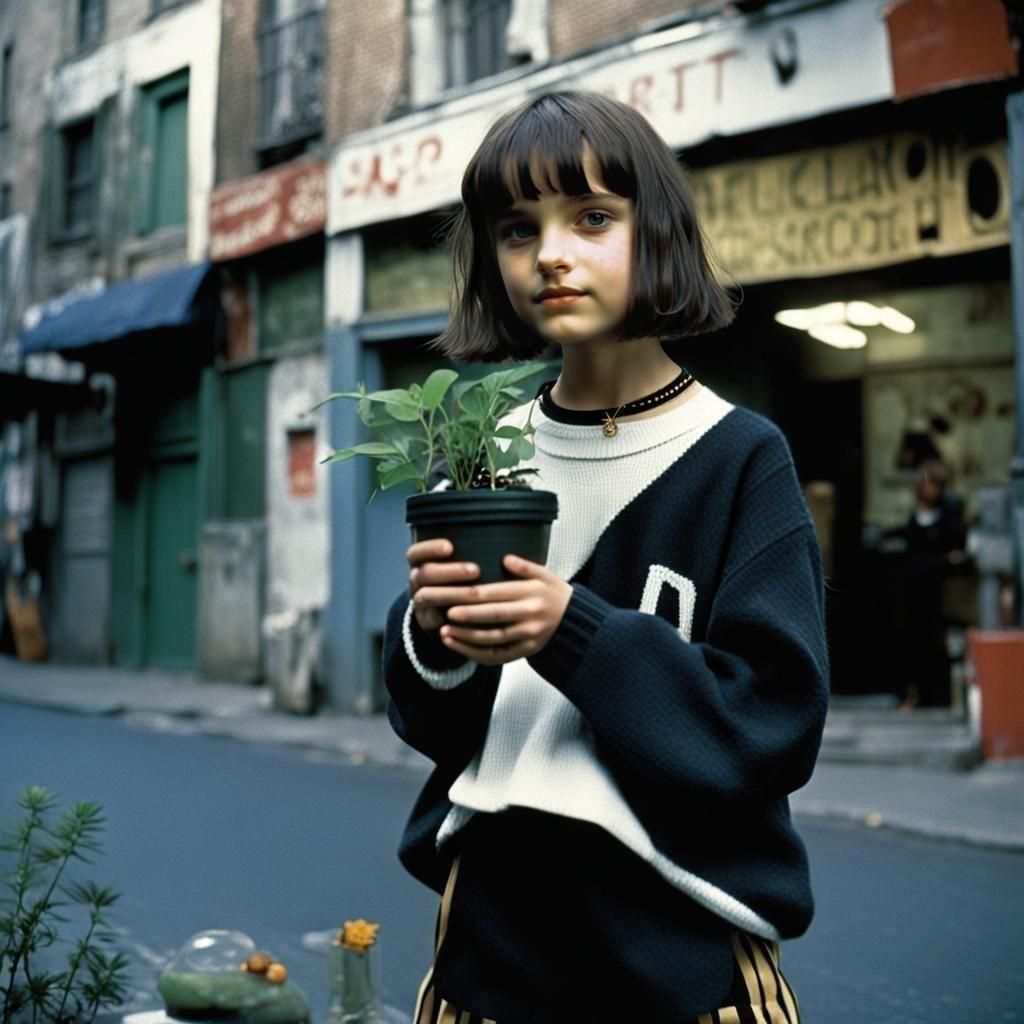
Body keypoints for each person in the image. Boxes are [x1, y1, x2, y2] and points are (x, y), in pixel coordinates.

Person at [382, 91, 829, 1024]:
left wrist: (570, 631)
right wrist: (432, 637)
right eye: (516, 228)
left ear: (654, 227)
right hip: (487, 949)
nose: (550, 252)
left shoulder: (741, 455)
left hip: (681, 946)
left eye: (591, 217)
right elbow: (432, 722)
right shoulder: (481, 449)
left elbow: (773, 725)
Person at [899, 458, 968, 710]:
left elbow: (956, 552)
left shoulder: (948, 516)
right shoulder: (915, 516)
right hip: (914, 589)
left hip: (938, 591)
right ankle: (914, 693)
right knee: (913, 641)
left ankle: (939, 695)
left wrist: (938, 561)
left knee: (938, 642)